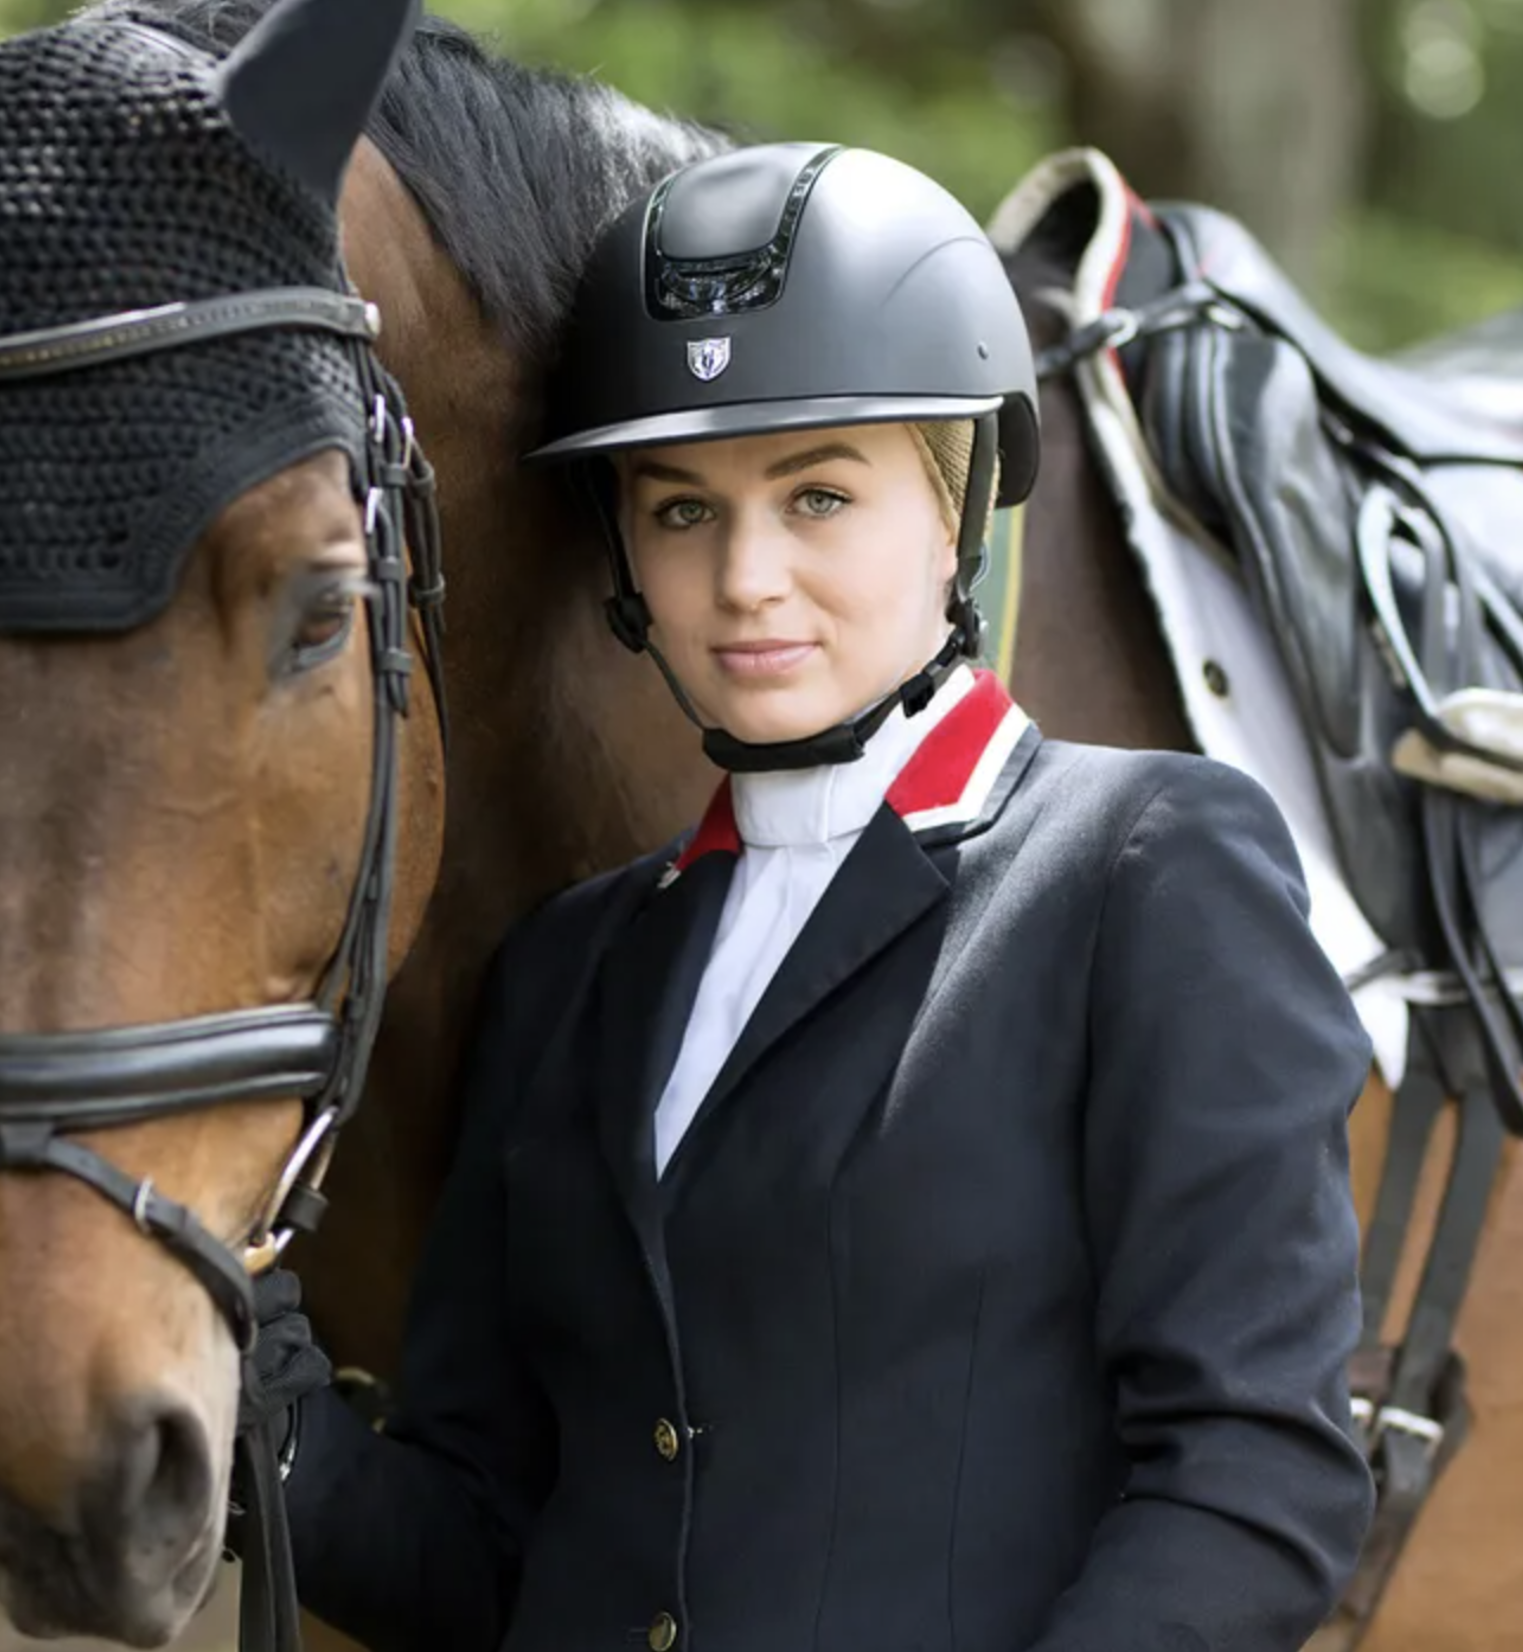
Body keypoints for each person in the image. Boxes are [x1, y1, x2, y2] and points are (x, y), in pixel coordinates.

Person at [255, 141, 1376, 1652]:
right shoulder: (570, 973)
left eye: (821, 494)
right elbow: (479, 1556)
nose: (748, 580)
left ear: (958, 493)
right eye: (680, 511)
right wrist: (246, 1367)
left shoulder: (1148, 869)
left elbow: (1254, 1481)